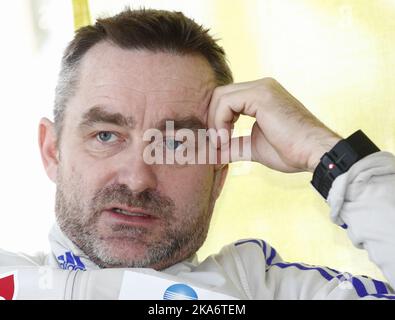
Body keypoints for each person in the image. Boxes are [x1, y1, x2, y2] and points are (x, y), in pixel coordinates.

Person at [0, 8, 394, 300]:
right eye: (106, 135)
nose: (137, 178)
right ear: (52, 151)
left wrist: (325, 152)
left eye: (176, 144)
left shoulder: (263, 288)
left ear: (218, 174)